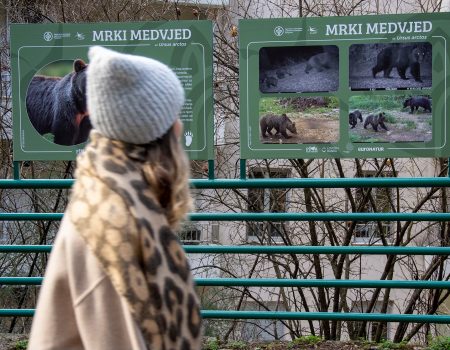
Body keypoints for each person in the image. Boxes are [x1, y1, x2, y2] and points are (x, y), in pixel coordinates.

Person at [28, 46, 202, 350]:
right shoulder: (112, 224)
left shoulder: (115, 194)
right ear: (152, 131)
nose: (180, 124)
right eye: (173, 114)